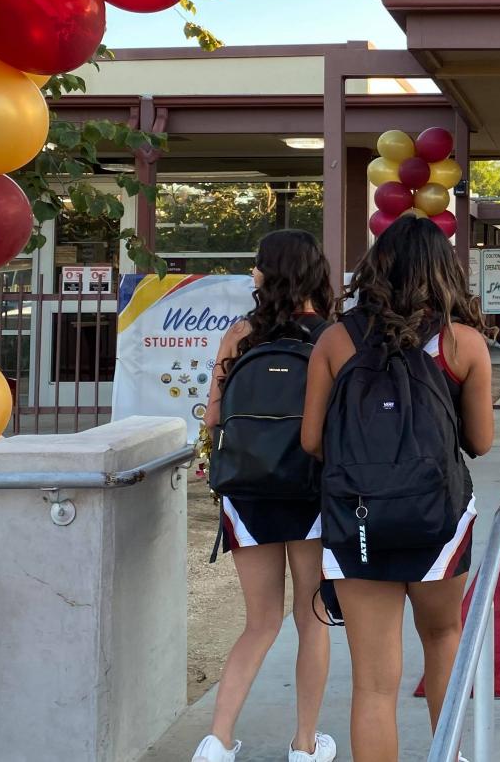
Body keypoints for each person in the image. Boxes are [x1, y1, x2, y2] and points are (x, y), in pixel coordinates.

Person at [300, 218, 495, 762]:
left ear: (376, 267)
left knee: (373, 684)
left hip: (357, 522)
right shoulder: (463, 344)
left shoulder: (336, 340)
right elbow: (480, 441)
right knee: (442, 638)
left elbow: (313, 440)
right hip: (438, 520)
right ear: (443, 272)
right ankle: (450, 755)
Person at [194, 230, 338, 762]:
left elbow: (212, 419)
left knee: (259, 623)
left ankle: (217, 740)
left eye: (257, 265)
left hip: (247, 493)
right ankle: (304, 744)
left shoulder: (239, 335)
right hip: (311, 495)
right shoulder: (331, 337)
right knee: (312, 618)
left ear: (268, 272)